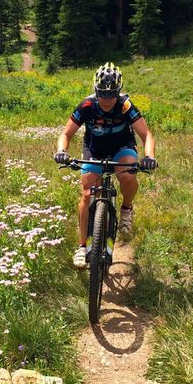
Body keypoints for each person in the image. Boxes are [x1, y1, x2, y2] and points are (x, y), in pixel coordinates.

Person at [54, 62, 157, 269]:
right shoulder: (87, 106)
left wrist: (149, 156)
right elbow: (66, 134)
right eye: (102, 94)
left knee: (127, 175)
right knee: (86, 194)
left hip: (122, 147)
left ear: (118, 92)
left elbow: (146, 135)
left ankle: (126, 208)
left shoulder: (125, 106)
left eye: (111, 95)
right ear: (95, 90)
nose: (107, 99)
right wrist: (61, 152)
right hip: (94, 149)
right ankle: (82, 246)